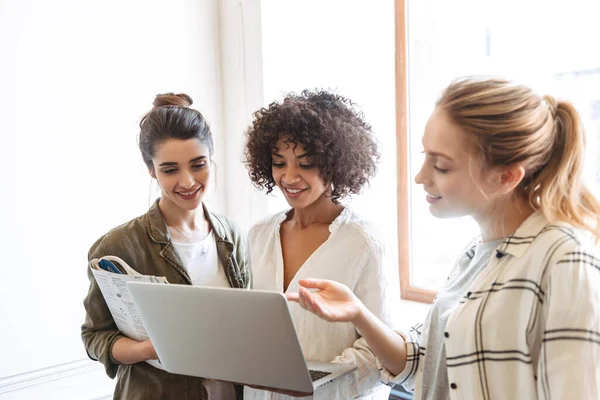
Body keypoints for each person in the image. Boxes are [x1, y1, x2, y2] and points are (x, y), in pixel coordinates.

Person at [287, 78, 600, 399]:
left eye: (441, 166)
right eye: (425, 157)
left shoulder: (564, 258)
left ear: (507, 176)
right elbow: (424, 364)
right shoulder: (476, 253)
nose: (421, 176)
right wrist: (358, 314)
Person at [81, 93, 251, 400]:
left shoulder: (232, 234)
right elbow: (95, 336)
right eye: (170, 170)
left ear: (211, 156)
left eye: (198, 165)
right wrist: (148, 349)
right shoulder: (117, 245)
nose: (187, 182)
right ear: (151, 169)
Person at [243, 90, 398, 400]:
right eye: (279, 163)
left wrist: (311, 385)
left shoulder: (362, 242)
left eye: (306, 163)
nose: (289, 177)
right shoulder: (260, 234)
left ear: (334, 165)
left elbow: (377, 349)